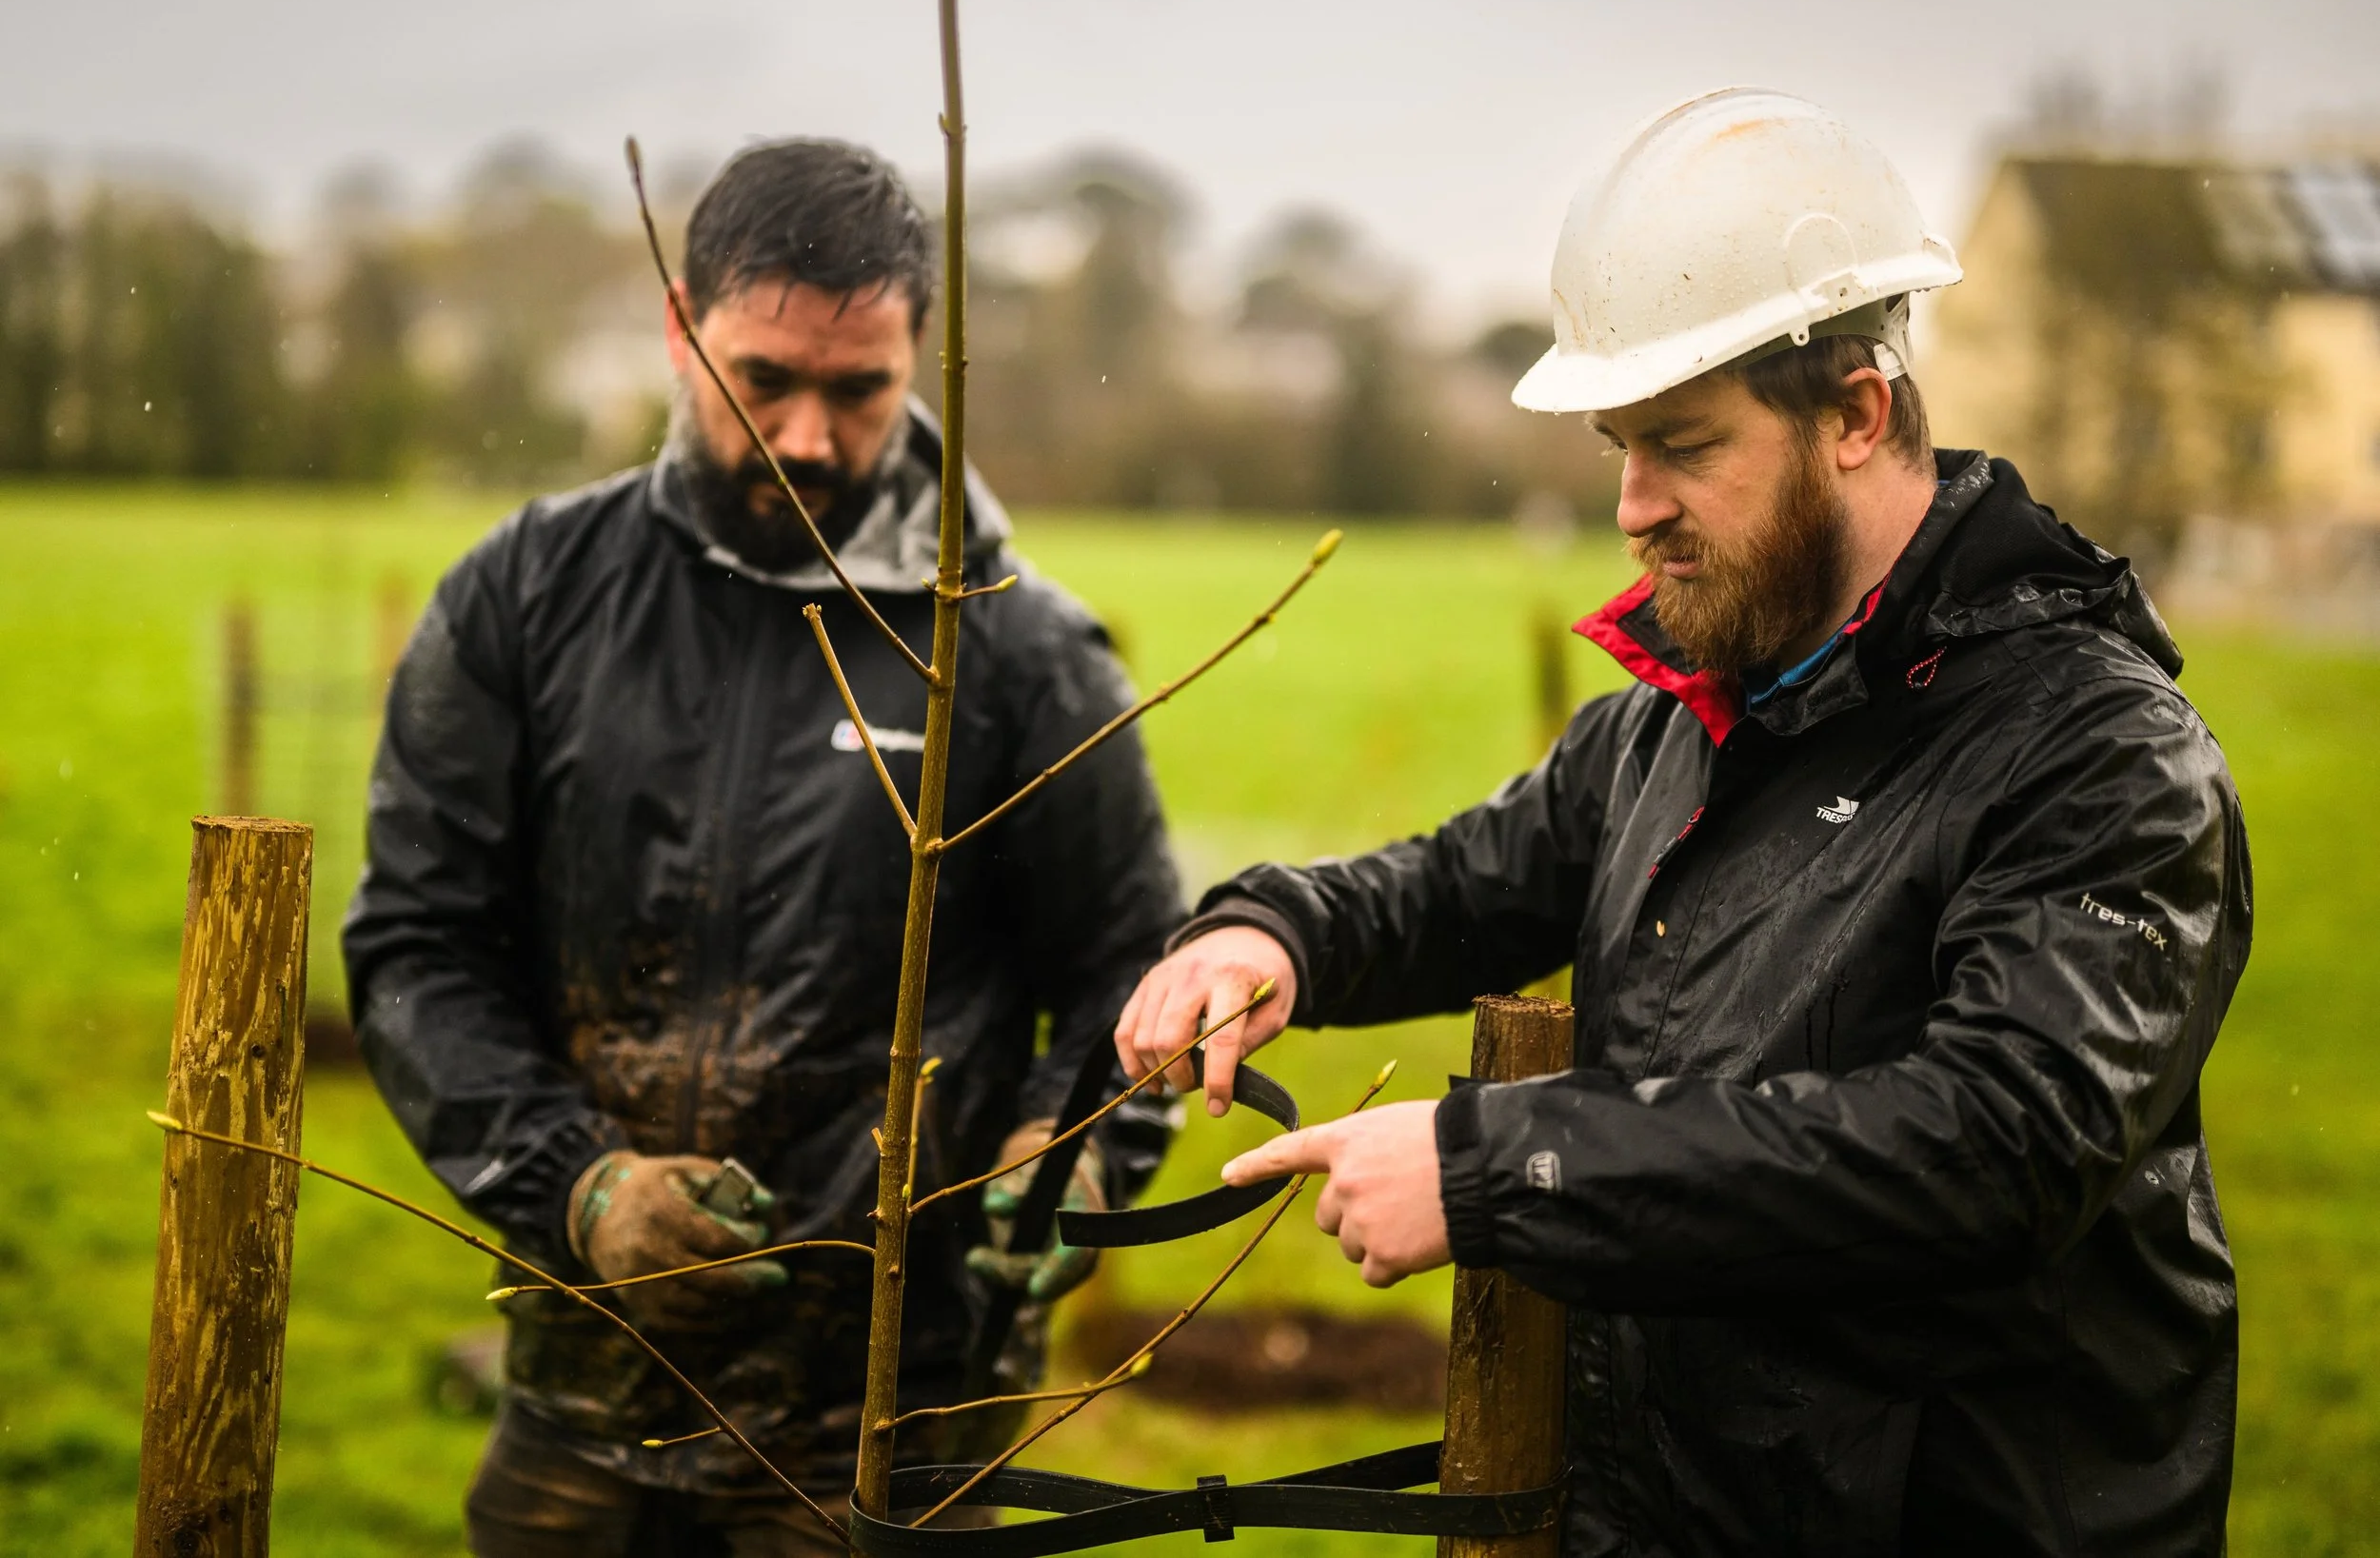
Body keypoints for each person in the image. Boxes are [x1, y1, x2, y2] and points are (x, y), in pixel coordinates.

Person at [1116, 89, 2251, 1557]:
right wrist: (1274, 934)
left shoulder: (2098, 755)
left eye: (1683, 444)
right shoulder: (1695, 710)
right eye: (1619, 446)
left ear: (1858, 414)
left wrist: (1501, 1164)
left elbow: (1997, 1144)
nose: (1633, 505)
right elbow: (1463, 884)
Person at [345, 138, 1182, 1558]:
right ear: (682, 328)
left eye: (859, 390)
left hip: (890, 1436)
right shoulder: (523, 599)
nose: (806, 437)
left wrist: (1073, 1158)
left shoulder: (1023, 653)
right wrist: (577, 1187)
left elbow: (1132, 970)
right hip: (583, 1399)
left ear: (921, 355)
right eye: (764, 379)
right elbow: (418, 945)